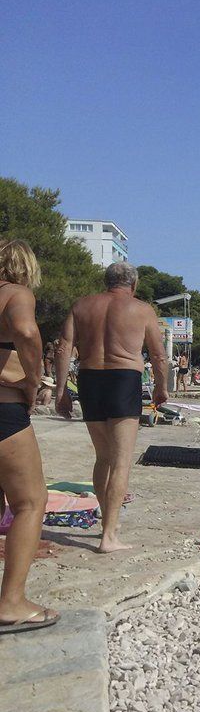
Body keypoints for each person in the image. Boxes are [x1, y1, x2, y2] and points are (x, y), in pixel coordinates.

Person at [55, 262, 168, 554]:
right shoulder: (142, 309)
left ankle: (107, 525)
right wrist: (161, 388)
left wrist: (61, 391)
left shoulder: (81, 306)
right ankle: (109, 535)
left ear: (107, 281)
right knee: (120, 461)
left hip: (90, 379)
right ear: (134, 284)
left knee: (103, 457)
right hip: (123, 377)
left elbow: (64, 346)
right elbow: (158, 354)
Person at [0, 240, 59, 633]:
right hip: (4, 408)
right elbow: (25, 329)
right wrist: (34, 378)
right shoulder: (16, 294)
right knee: (30, 502)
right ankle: (11, 602)